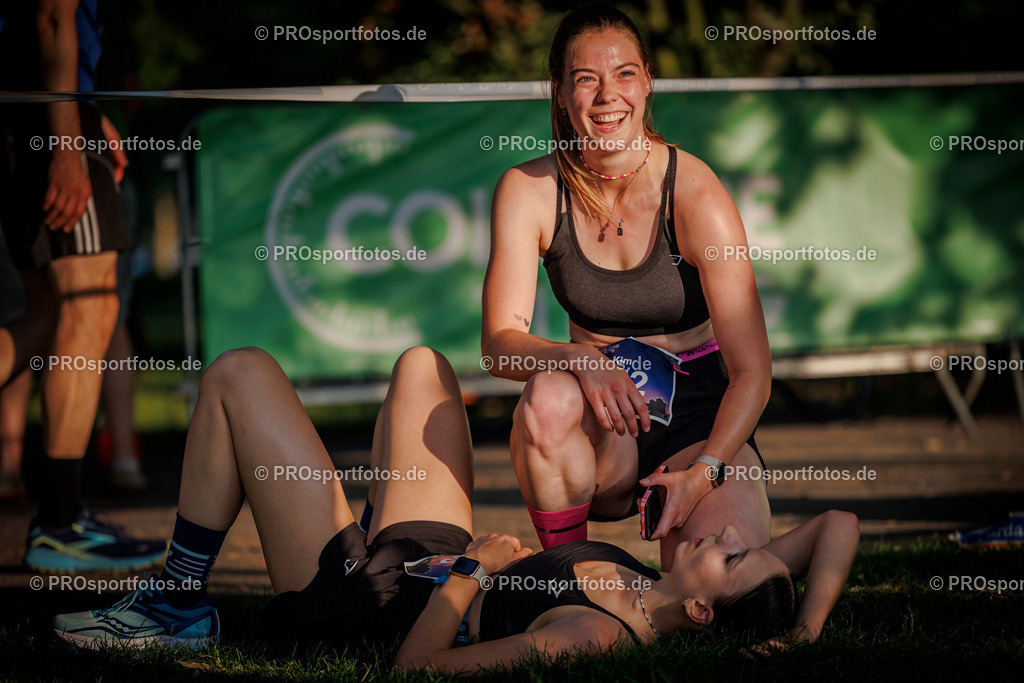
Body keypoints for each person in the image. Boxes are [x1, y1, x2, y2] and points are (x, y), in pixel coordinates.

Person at [53, 346, 859, 674]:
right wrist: (804, 632)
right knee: (423, 367)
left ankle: (178, 602)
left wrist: (475, 570)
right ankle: (349, 517)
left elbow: (420, 669)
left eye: (730, 556)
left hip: (367, 598)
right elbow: (836, 528)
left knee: (238, 374)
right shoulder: (649, 581)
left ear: (701, 609)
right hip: (422, 554)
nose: (727, 535)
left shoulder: (596, 636)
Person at [481, 5, 772, 569]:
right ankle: (570, 577)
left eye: (624, 74)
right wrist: (581, 360)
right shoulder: (527, 189)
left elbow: (753, 373)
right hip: (605, 428)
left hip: (698, 427)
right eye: (585, 78)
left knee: (723, 581)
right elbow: (498, 346)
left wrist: (706, 471)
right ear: (560, 93)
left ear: (647, 83)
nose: (607, 95)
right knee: (547, 397)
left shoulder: (696, 194)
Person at [0, 0, 164, 570]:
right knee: (89, 310)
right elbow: (51, 15)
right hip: (47, 124)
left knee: (45, 315)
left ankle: (61, 520)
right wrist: (70, 144)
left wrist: (84, 118)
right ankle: (59, 523)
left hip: (29, 119)